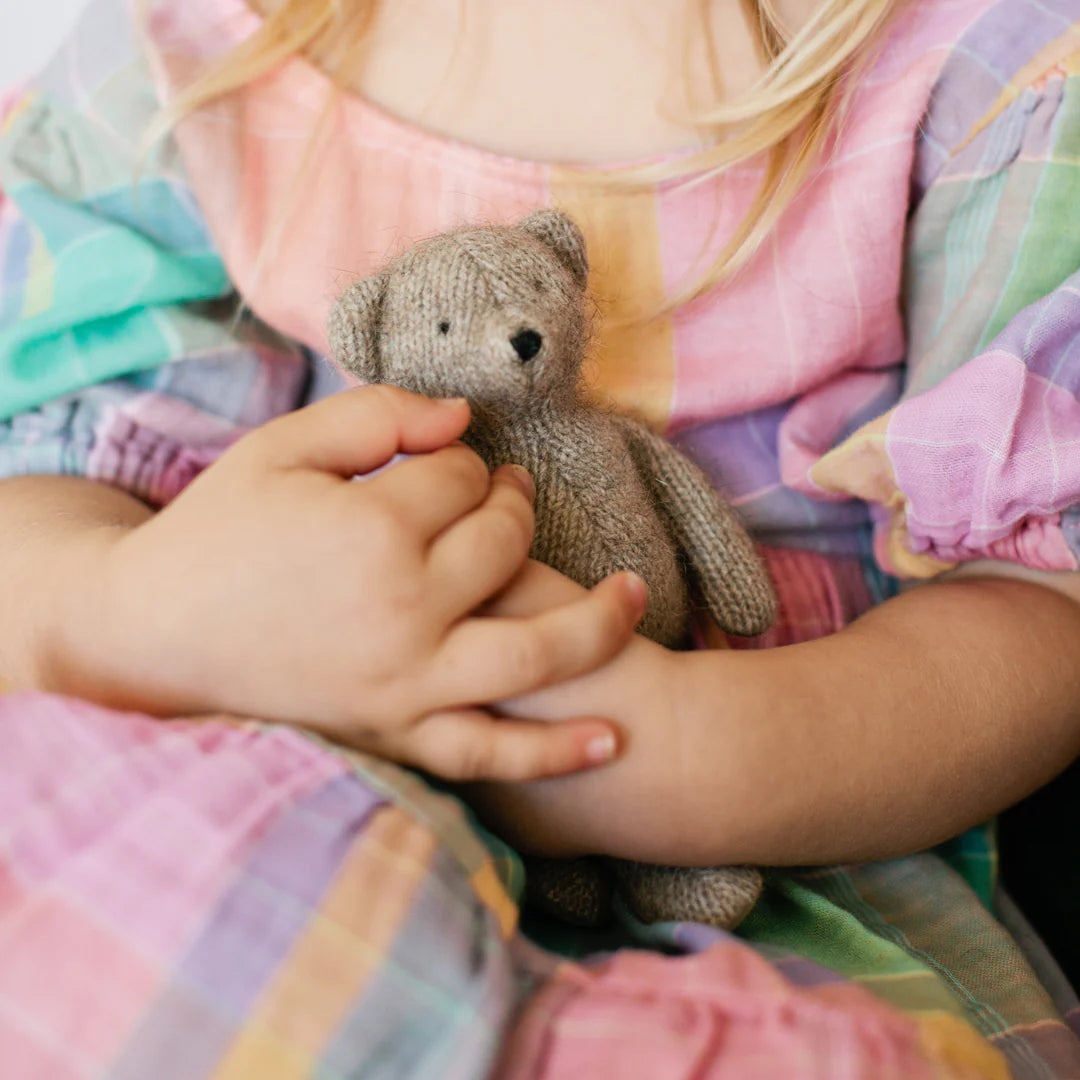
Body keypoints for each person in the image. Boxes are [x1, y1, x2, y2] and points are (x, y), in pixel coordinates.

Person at [3, 0, 1080, 1075]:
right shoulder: (177, 52)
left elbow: (1045, 605)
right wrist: (126, 612)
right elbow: (36, 498)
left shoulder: (986, 67)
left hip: (774, 871)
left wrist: (668, 752)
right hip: (266, 826)